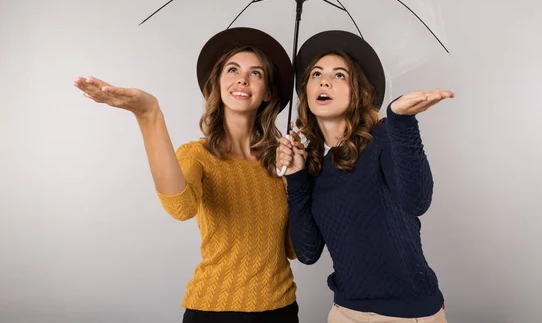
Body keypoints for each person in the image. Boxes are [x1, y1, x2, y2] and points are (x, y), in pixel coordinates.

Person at [74, 27, 299, 323]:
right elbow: (180, 208)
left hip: (280, 310)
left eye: (256, 73)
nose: (243, 79)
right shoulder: (198, 155)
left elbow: (295, 248)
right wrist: (148, 115)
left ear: (268, 92)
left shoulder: (281, 165)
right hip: (214, 311)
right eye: (232, 70)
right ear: (217, 84)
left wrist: (297, 181)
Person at [276, 30, 453, 323]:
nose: (324, 81)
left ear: (358, 92)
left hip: (411, 315)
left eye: (339, 75)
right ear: (306, 92)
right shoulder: (313, 168)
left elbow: (418, 201)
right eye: (316, 74)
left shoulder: (382, 137)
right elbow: (307, 253)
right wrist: (295, 177)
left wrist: (402, 121)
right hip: (346, 313)